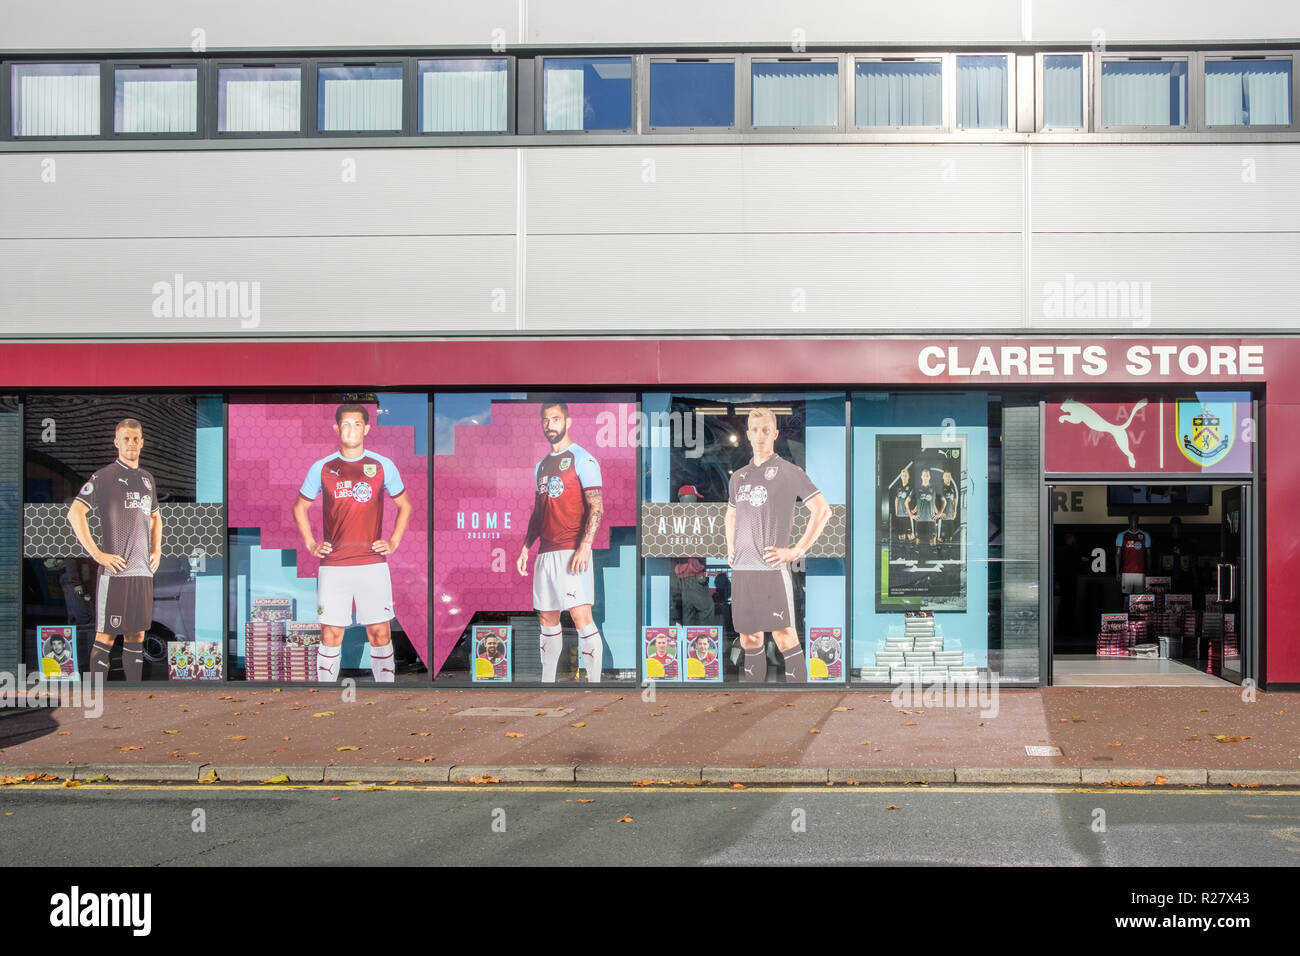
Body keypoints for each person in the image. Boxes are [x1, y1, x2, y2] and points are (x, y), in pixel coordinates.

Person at [293, 403, 413, 683]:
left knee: (379, 632)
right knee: (331, 633)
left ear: (367, 429)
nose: (351, 429)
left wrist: (393, 541)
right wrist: (311, 543)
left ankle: (385, 694)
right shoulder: (322, 468)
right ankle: (325, 697)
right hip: (334, 566)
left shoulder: (382, 465)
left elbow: (405, 505)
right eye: (345, 424)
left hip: (372, 565)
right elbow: (299, 507)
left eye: (357, 424)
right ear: (336, 428)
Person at [725, 408, 831, 683]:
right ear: (747, 435)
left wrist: (796, 550)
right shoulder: (738, 476)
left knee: (784, 636)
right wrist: (729, 547)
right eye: (754, 430)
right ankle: (751, 707)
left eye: (765, 430)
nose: (759, 435)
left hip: (771, 571)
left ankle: (799, 705)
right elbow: (731, 514)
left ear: (774, 433)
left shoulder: (788, 471)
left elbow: (822, 510)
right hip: (742, 571)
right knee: (749, 637)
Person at [66, 418, 162, 681]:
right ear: (116, 442)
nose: (131, 443)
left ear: (142, 442)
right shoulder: (105, 476)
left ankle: (134, 695)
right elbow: (75, 513)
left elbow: (156, 517)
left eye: (135, 438)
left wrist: (157, 550)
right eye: (126, 438)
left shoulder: (147, 479)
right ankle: (99, 695)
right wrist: (97, 554)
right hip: (116, 574)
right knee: (107, 636)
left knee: (137, 635)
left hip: (142, 572)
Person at [517, 402, 605, 682]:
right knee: (547, 618)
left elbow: (597, 507)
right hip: (546, 552)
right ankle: (547, 682)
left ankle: (595, 684)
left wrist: (585, 545)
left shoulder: (583, 458)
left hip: (572, 551)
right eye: (545, 419)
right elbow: (538, 511)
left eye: (555, 419)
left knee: (580, 616)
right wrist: (525, 547)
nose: (549, 424)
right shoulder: (541, 466)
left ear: (568, 422)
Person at [1115, 512, 1151, 595]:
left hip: (1140, 572)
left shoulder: (1145, 535)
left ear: (1138, 520)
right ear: (1129, 520)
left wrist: (1149, 570)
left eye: (1135, 518)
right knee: (1126, 598)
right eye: (1131, 518)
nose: (1133, 520)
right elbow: (1118, 554)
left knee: (1140, 599)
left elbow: (1149, 555)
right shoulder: (1121, 535)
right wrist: (1117, 572)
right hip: (1126, 572)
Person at [891, 467, 915, 560]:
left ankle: (912, 557)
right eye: (902, 476)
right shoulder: (899, 488)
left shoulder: (911, 487)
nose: (904, 477)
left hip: (907, 515)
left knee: (910, 535)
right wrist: (896, 510)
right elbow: (896, 499)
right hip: (900, 515)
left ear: (908, 477)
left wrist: (912, 510)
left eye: (905, 476)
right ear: (901, 477)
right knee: (901, 535)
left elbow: (915, 499)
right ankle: (902, 557)